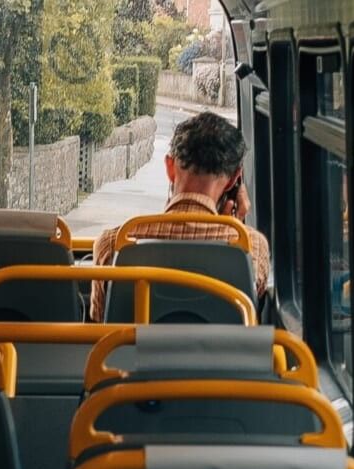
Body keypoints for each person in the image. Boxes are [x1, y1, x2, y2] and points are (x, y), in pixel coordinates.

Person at [88, 111, 271, 321]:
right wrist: (232, 227)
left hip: (135, 354)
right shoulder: (252, 246)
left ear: (169, 167)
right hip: (217, 355)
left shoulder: (112, 244)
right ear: (233, 181)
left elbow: (101, 325)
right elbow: (248, 319)